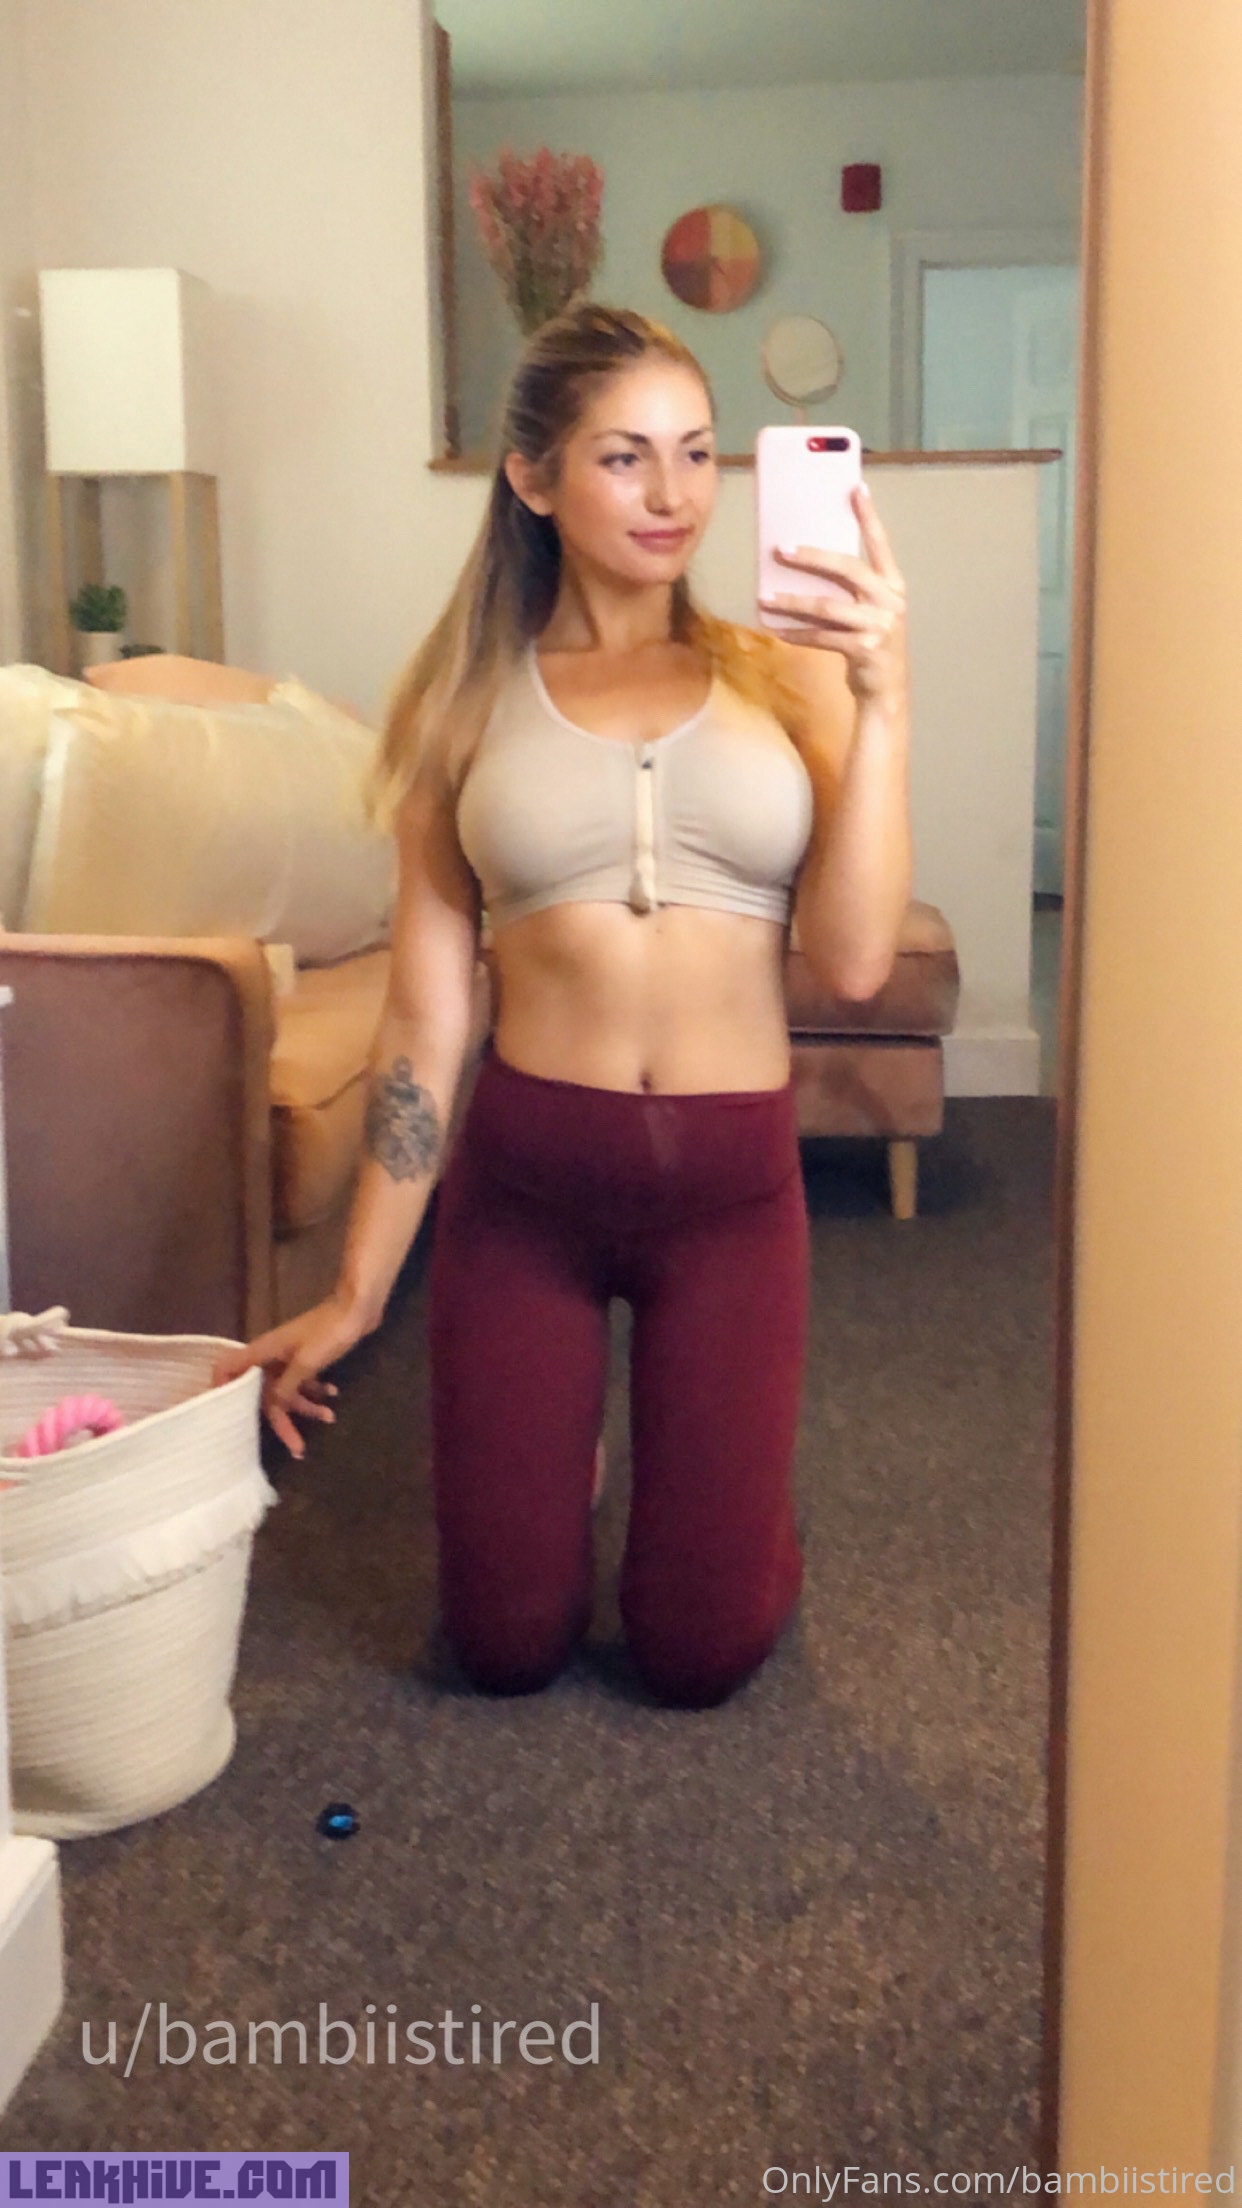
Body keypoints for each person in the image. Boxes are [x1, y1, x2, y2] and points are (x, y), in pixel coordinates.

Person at [211, 302, 912, 1709]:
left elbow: (849, 964)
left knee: (697, 1657)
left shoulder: (789, 674)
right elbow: (425, 1021)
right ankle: (563, 1458)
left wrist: (885, 699)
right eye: (623, 456)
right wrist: (355, 1291)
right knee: (502, 1646)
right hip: (526, 1194)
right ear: (532, 477)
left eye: (697, 452)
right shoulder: (461, 703)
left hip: (729, 1199)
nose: (673, 495)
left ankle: (725, 1513)